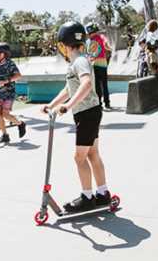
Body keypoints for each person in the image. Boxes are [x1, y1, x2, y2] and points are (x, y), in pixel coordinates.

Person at [41, 21, 109, 213]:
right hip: (90, 111)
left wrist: (68, 106)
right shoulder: (77, 62)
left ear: (64, 44)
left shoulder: (79, 61)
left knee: (79, 158)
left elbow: (86, 83)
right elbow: (69, 88)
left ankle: (87, 197)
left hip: (87, 113)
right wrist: (52, 105)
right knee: (92, 154)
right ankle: (103, 194)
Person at [0, 42, 26, 144]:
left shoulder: (10, 63)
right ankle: (5, 135)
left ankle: (20, 123)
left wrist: (6, 81)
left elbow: (18, 75)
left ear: (2, 54)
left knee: (5, 114)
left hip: (9, 93)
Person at [85, 22, 112, 110]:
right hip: (103, 63)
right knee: (104, 84)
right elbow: (107, 45)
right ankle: (107, 103)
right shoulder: (101, 37)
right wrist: (108, 48)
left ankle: (99, 104)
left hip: (94, 63)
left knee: (97, 85)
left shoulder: (88, 41)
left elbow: (87, 53)